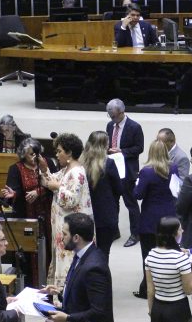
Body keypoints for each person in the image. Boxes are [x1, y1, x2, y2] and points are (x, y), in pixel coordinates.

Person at [1, 137, 57, 286]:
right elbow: (14, 190)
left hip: (49, 216)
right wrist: (13, 195)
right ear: (23, 155)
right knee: (30, 254)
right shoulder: (16, 168)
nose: (34, 157)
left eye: (36, 154)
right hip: (26, 217)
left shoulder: (47, 163)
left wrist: (39, 191)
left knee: (50, 251)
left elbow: (56, 184)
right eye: (30, 154)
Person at [40, 133, 93, 287]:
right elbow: (48, 181)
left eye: (59, 151)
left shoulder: (77, 172)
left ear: (69, 152)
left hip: (74, 231)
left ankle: (64, 300)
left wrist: (58, 188)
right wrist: (44, 170)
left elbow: (71, 200)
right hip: (63, 229)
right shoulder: (65, 170)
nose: (57, 155)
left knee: (70, 266)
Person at [41, 213, 114, 322]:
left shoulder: (94, 268)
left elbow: (99, 313)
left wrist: (67, 318)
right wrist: (62, 292)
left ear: (76, 238)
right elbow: (83, 296)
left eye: (64, 234)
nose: (61, 238)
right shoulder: (81, 254)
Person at [134, 140, 179, 299]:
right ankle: (168, 286)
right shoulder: (173, 168)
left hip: (150, 219)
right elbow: (176, 191)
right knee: (168, 251)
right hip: (169, 217)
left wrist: (136, 183)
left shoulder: (146, 171)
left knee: (148, 255)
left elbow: (138, 195)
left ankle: (148, 289)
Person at [106, 98, 145, 247]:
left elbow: (139, 148)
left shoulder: (134, 127)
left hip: (128, 170)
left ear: (122, 112)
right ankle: (114, 231)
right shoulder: (110, 125)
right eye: (110, 116)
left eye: (114, 116)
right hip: (112, 169)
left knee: (131, 203)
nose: (112, 119)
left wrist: (122, 151)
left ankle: (136, 234)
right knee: (112, 201)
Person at [144, 216, 192, 322]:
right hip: (178, 308)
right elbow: (189, 290)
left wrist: (151, 310)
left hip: (158, 307)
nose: (182, 230)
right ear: (174, 234)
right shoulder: (181, 259)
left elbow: (150, 289)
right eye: (180, 229)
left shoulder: (150, 256)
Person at [80, 131, 121, 260]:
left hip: (84, 216)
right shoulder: (108, 164)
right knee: (103, 254)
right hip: (105, 216)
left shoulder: (80, 164)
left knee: (85, 254)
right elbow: (119, 189)